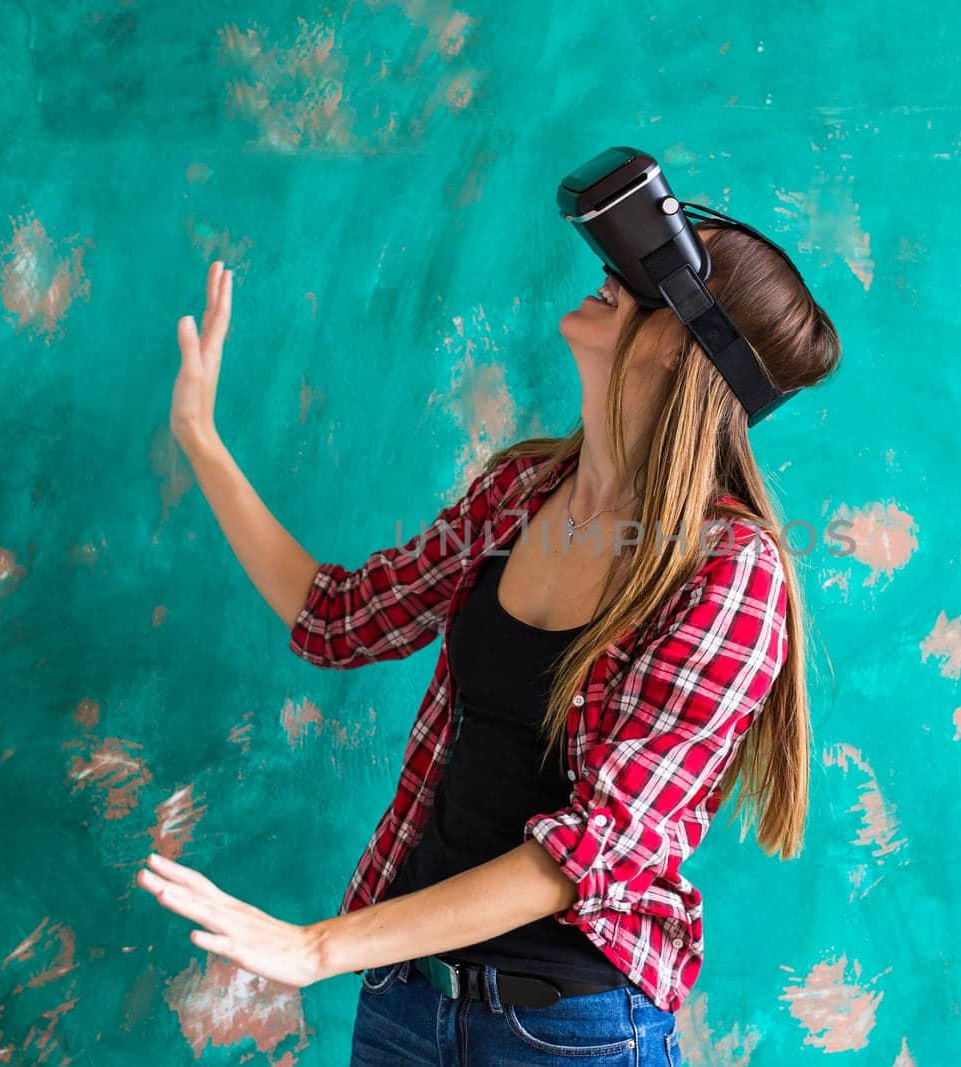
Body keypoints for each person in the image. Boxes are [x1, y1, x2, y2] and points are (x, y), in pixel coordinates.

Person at [152, 225, 839, 1065]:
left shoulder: (731, 575)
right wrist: (201, 437)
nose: (611, 275)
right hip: (408, 1003)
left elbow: (583, 852)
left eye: (646, 279)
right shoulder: (519, 493)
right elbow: (336, 617)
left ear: (685, 352)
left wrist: (318, 947)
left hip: (566, 1033)